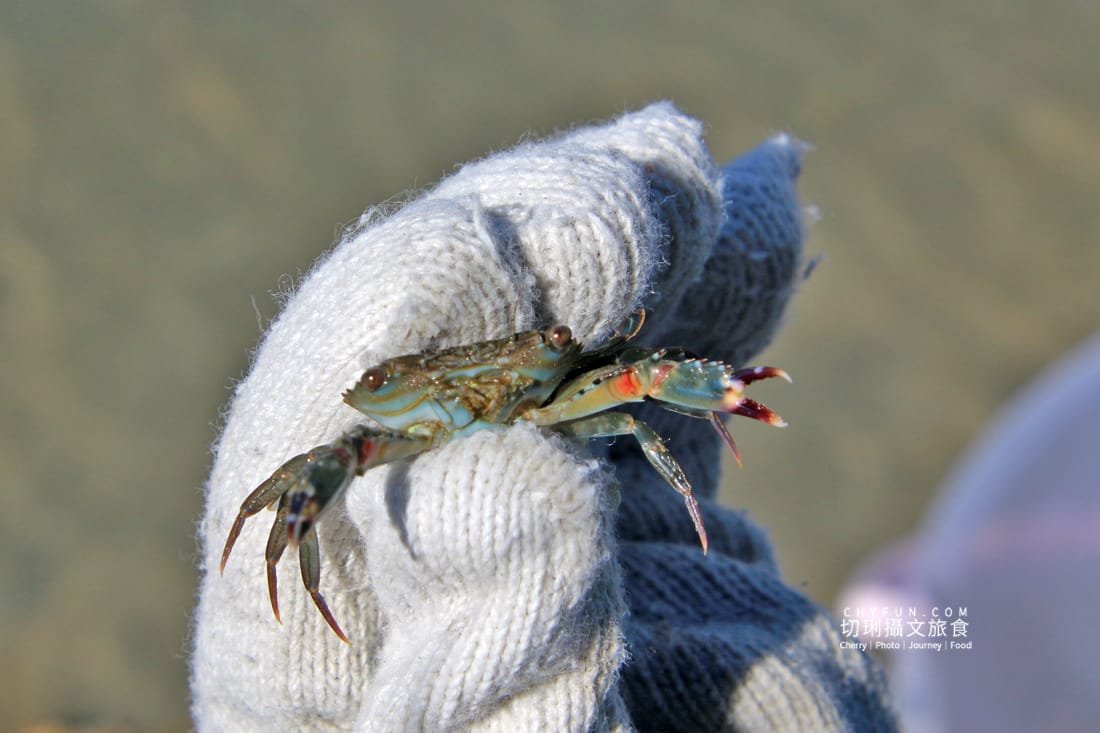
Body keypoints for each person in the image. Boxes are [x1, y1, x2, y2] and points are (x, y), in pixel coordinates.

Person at [192, 103, 896, 732]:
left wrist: (720, 400)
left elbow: (641, 391)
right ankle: (305, 589)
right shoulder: (378, 423)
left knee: (636, 408)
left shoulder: (553, 378)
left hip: (534, 405)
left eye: (550, 349)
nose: (482, 390)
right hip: (412, 425)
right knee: (311, 474)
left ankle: (692, 482)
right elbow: (316, 466)